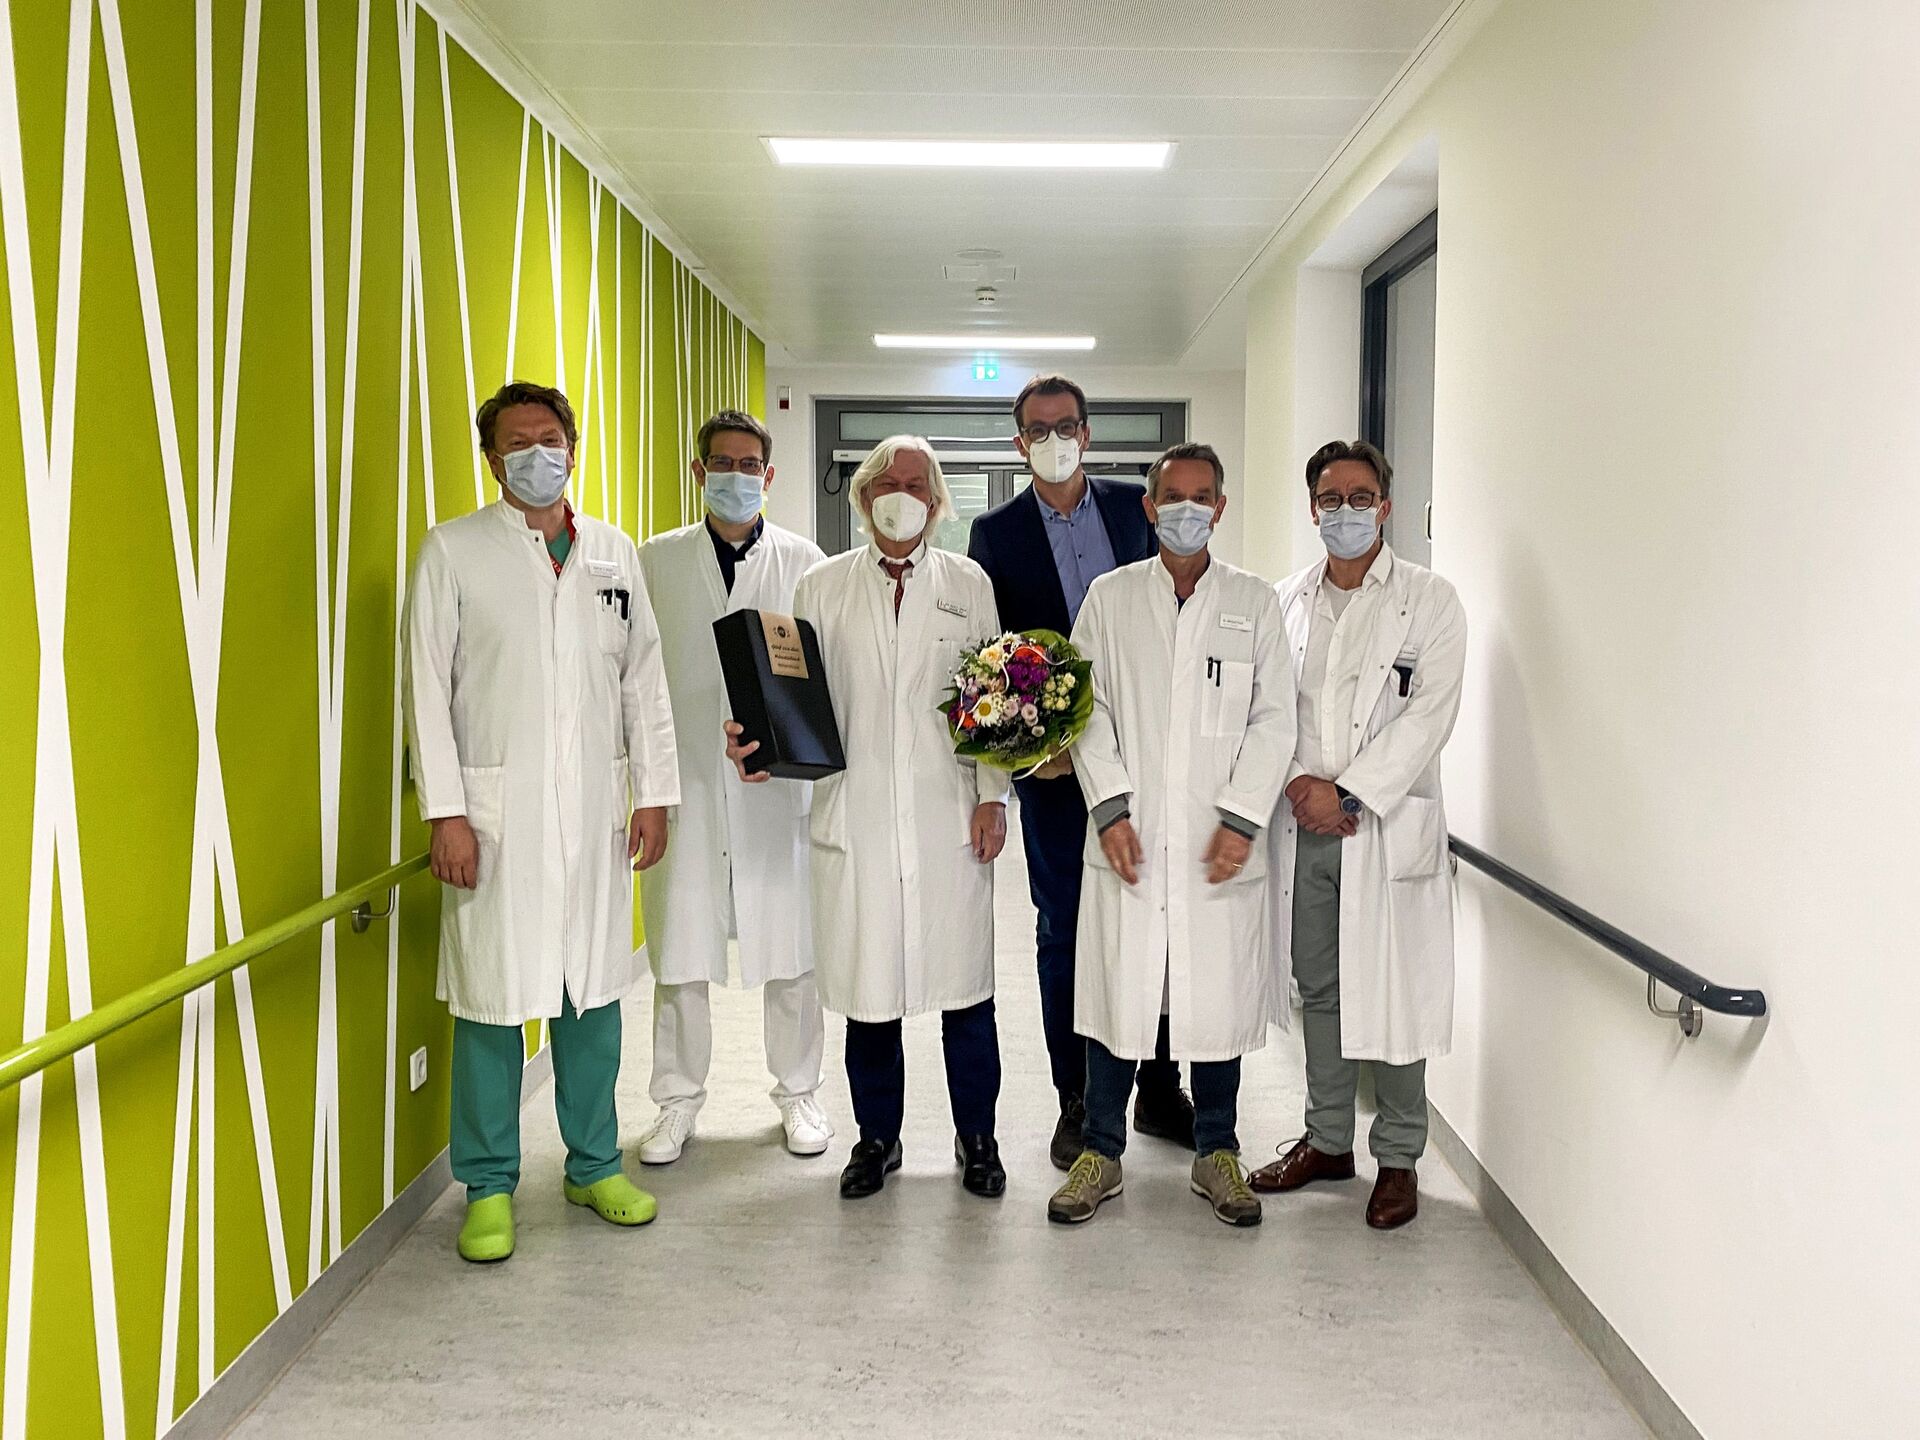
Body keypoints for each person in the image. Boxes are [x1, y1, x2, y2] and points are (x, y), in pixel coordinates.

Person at [406, 380, 679, 1263]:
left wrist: (653, 792)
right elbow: (425, 693)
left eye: (549, 439)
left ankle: (594, 1165)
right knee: (492, 1003)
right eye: (516, 443)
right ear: (491, 459)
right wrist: (446, 814)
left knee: (592, 997)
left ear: (572, 447)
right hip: (496, 820)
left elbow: (644, 682)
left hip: (596, 814)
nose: (536, 455)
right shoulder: (453, 551)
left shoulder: (612, 553)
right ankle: (488, 1185)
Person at [730, 435, 1009, 1201]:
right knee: (869, 999)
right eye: (886, 482)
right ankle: (876, 1139)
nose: (901, 495)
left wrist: (993, 795)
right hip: (854, 819)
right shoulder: (821, 587)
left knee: (967, 996)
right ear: (861, 498)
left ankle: (977, 1138)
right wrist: (760, 742)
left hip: (947, 816)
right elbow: (793, 702)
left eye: (916, 484)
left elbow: (993, 703)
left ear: (937, 502)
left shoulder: (968, 583)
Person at [1045, 444, 1296, 1227]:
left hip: (1216, 840)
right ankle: (1100, 1151)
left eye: (1202, 496)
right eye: (1173, 497)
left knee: (1214, 994)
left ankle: (1217, 1150)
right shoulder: (1110, 598)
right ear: (1149, 509)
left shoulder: (1253, 603)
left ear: (1221, 507)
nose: (1188, 509)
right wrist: (1111, 807)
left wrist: (1243, 817)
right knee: (1119, 991)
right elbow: (1086, 709)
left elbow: (1275, 719)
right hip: (1130, 834)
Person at [967, 374, 1192, 1172]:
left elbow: (1178, 615)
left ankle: (1159, 1087)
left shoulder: (1138, 509)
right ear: (1019, 442)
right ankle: (1078, 1098)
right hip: (1056, 773)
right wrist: (1035, 751)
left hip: (1146, 763)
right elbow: (992, 658)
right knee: (1063, 929)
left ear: (1087, 435)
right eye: (1038, 429)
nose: (1054, 440)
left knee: (1152, 919)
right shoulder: (996, 534)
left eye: (1066, 426)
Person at [1250, 439, 1467, 1230]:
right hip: (1307, 826)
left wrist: (1346, 792)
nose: (1346, 510)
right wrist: (1299, 785)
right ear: (1313, 509)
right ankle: (1327, 1140)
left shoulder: (1431, 602)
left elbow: (1428, 717)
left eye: (1361, 496)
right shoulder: (1285, 601)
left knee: (1395, 988)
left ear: (1387, 506)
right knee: (1320, 987)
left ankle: (1399, 1156)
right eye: (1331, 498)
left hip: (1383, 824)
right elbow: (1265, 708)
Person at [634, 410, 833, 1165]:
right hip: (685, 783)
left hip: (775, 792)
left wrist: (786, 750)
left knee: (790, 955)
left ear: (769, 476)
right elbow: (636, 680)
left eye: (751, 465)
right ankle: (676, 1104)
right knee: (680, 957)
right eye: (722, 462)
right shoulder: (655, 561)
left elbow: (817, 683)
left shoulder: (805, 563)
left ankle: (799, 1095)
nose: (737, 476)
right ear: (698, 471)